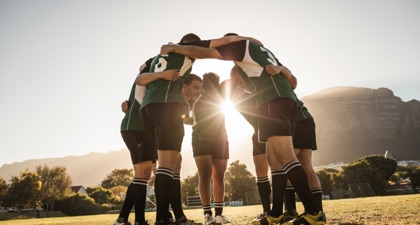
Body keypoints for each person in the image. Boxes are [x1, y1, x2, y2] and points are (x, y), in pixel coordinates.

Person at [160, 35, 325, 225]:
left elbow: (206, 51)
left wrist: (176, 48)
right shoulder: (265, 53)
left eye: (225, 42)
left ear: (231, 42)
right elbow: (293, 83)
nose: (222, 45)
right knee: (281, 160)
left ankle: (312, 212)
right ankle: (281, 213)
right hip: (288, 102)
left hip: (272, 102)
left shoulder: (241, 47)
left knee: (285, 158)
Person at [139, 33, 266, 225]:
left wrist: (160, 76)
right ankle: (168, 218)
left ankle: (170, 216)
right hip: (168, 110)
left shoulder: (162, 58)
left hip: (148, 110)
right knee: (169, 167)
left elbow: (140, 79)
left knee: (168, 168)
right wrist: (248, 40)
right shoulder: (184, 55)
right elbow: (224, 42)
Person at [265, 65, 324, 222]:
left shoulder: (266, 77)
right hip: (306, 117)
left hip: (295, 119)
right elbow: (293, 81)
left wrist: (279, 69)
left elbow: (292, 80)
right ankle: (318, 212)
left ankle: (283, 212)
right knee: (306, 166)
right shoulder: (277, 77)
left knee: (282, 162)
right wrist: (281, 69)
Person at [189, 73, 230, 225]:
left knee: (219, 175)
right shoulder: (195, 98)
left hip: (221, 139)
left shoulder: (221, 97)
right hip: (201, 140)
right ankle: (207, 215)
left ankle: (219, 215)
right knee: (205, 175)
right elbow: (187, 118)